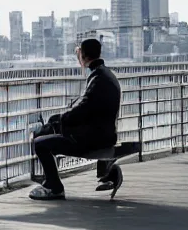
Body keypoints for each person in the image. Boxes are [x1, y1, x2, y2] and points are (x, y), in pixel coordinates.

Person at [29, 38, 121, 200]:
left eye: (79, 53)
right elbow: (88, 107)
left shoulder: (98, 78)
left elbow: (83, 109)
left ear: (83, 56)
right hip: (104, 134)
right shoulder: (105, 74)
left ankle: (54, 186)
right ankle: (50, 180)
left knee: (40, 143)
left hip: (94, 139)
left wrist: (60, 120)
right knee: (49, 129)